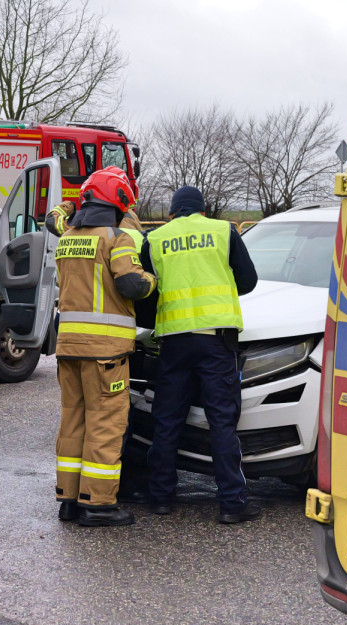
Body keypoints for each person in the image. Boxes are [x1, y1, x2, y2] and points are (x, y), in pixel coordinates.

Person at [139, 185, 261, 524]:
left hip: (174, 343)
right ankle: (232, 504)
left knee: (166, 420)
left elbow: (147, 297)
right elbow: (248, 280)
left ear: (171, 214)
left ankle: (160, 497)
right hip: (215, 340)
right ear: (203, 211)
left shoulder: (157, 238)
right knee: (222, 421)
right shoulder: (223, 231)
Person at [53, 168, 156, 527]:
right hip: (105, 351)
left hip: (68, 347)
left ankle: (69, 499)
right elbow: (131, 284)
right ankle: (97, 504)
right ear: (120, 202)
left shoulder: (67, 237)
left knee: (73, 422)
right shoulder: (116, 238)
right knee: (106, 423)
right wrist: (152, 280)